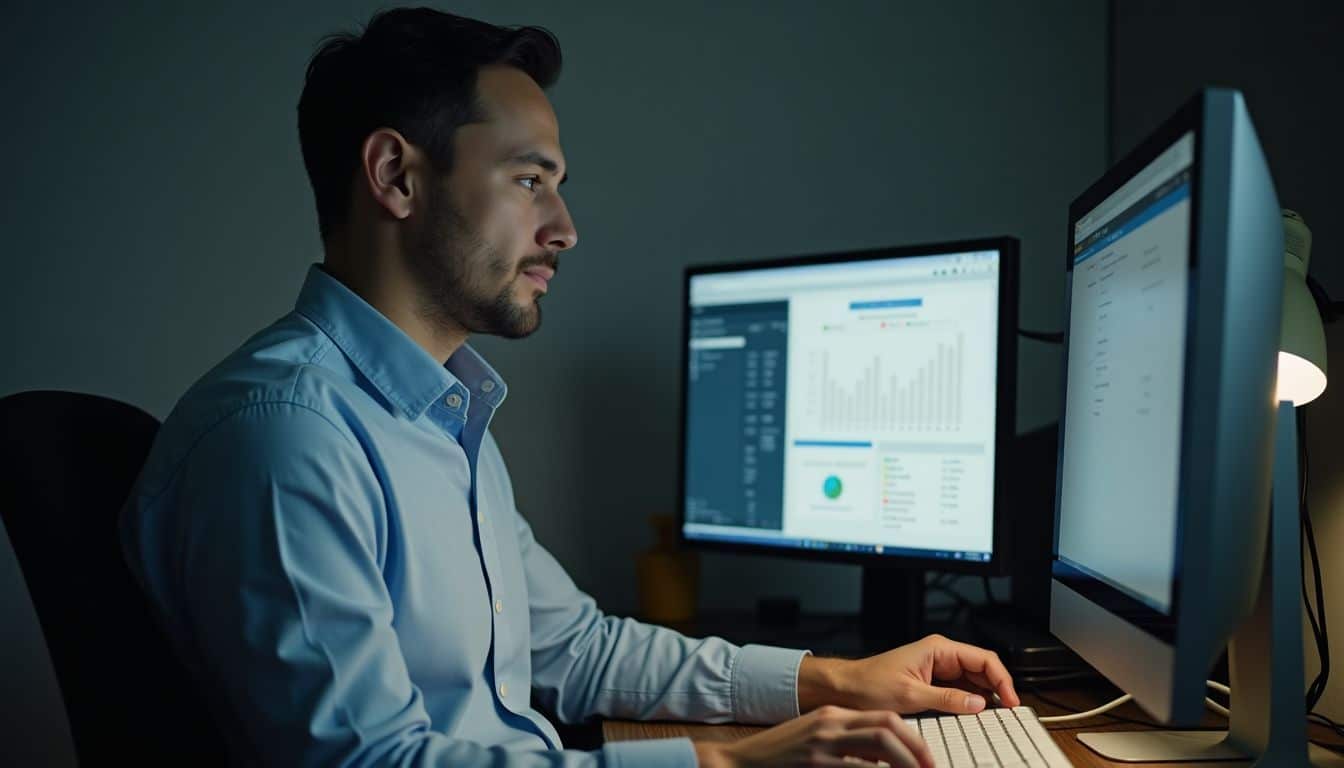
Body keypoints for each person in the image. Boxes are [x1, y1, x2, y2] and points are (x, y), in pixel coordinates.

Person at [120, 8, 1020, 767]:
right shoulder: (286, 438)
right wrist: (731, 764)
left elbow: (576, 649)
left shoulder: (443, 414)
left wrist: (831, 679)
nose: (565, 229)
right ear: (396, 175)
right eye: (529, 180)